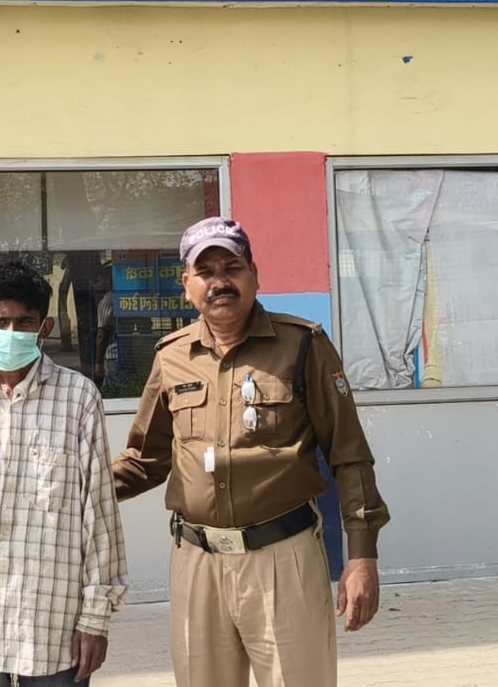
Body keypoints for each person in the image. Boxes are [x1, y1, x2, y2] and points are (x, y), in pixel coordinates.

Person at [112, 217, 391, 687]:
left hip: (284, 559)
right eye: (205, 272)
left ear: (254, 274)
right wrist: (70, 490)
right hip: (196, 562)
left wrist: (362, 556)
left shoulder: (303, 345)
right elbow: (146, 460)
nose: (220, 282)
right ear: (187, 286)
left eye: (232, 268)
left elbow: (349, 455)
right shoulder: (171, 356)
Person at [0, 261, 128, 686]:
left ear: (45, 328)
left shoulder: (79, 399)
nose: (11, 333)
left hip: (51, 625)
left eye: (24, 323)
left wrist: (95, 618)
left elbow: (98, 514)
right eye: (1, 322)